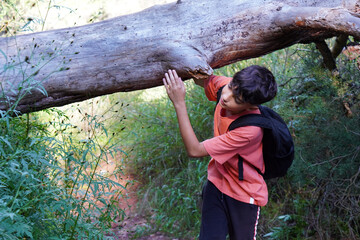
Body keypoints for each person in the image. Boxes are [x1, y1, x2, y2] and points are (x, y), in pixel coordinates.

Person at [162, 65, 277, 240]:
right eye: (231, 87)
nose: (225, 96)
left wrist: (179, 102)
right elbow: (201, 77)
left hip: (244, 195)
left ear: (250, 106)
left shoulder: (250, 130)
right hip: (216, 184)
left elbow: (195, 150)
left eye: (236, 100)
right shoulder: (228, 86)